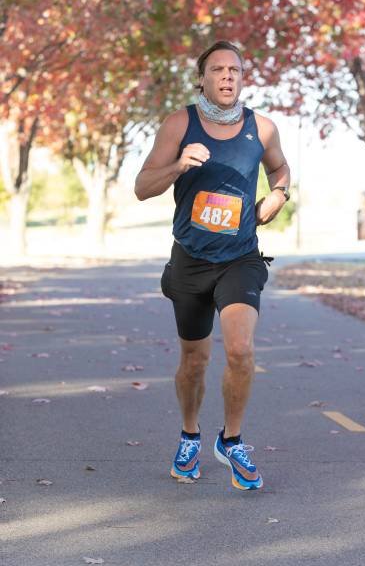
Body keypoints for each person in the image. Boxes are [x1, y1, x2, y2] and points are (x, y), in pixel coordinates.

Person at [134, 40, 291, 490]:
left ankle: (232, 440)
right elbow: (142, 187)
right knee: (195, 360)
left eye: (234, 70)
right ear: (201, 79)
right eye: (218, 69)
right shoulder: (179, 124)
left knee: (240, 349)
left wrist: (279, 195)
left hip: (240, 257)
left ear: (242, 79)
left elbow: (280, 169)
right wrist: (179, 165)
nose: (227, 76)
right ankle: (189, 435)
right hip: (190, 259)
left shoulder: (262, 128)